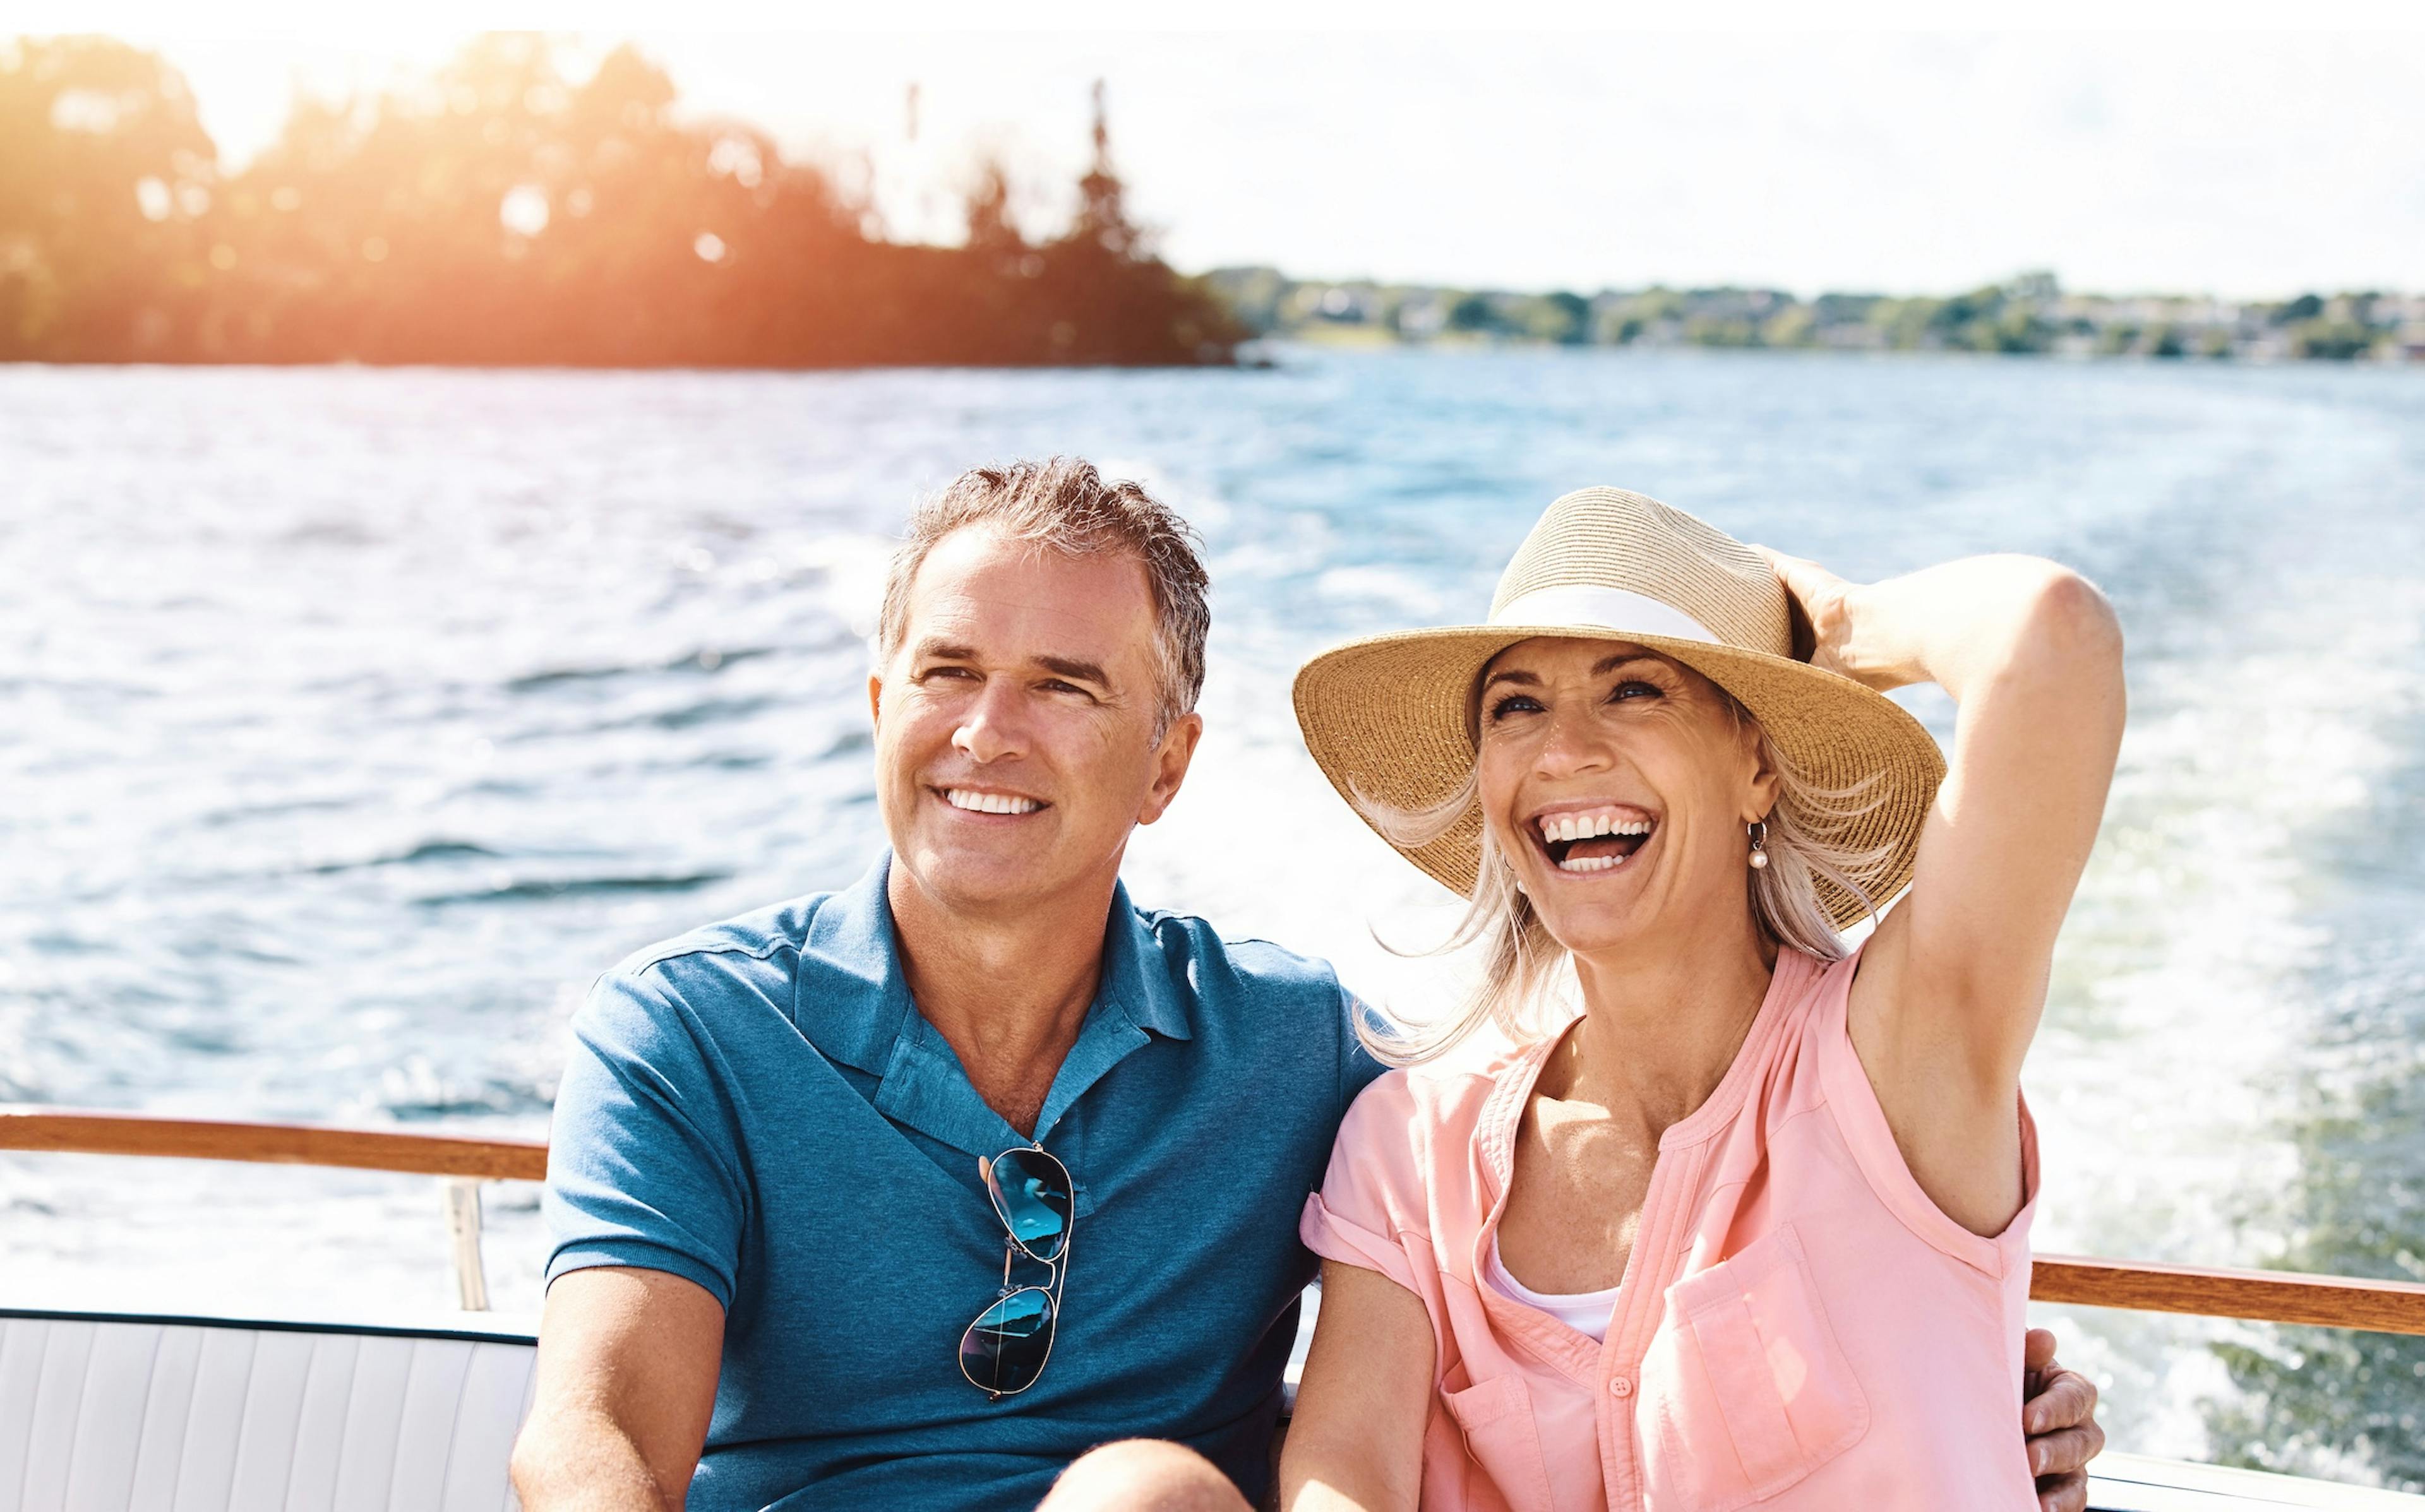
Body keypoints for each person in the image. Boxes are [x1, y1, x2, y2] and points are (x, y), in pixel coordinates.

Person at [508, 462, 2107, 1512]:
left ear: (1170, 764)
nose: (989, 731)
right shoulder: (688, 1032)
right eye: (947, 672)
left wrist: (1819, 629)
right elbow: (592, 1443)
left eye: (1066, 685)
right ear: (876, 706)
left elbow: (2049, 639)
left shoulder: (1300, 1057)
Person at [1279, 487, 2126, 1510]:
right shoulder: (1411, 1146)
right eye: (1516, 705)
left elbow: (2052, 636)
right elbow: (1342, 1481)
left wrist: (1845, 630)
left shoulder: (1897, 1062)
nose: (1562, 750)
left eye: (1635, 691)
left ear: (1758, 768)